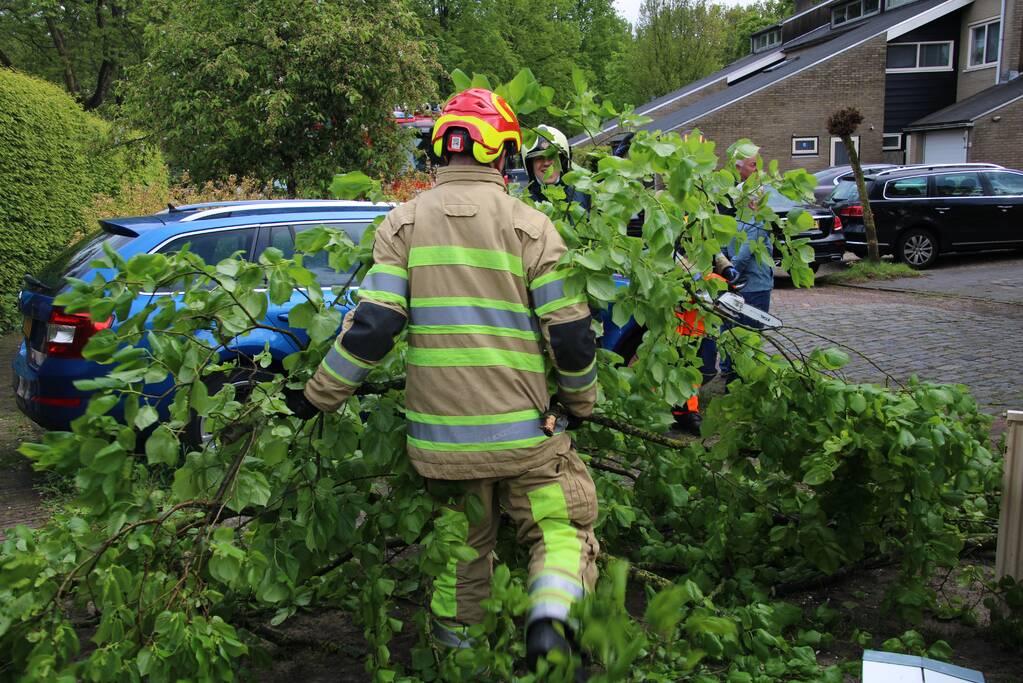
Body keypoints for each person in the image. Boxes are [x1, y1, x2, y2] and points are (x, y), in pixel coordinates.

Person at [284, 88, 599, 675]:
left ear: (438, 150)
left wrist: (314, 396)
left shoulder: (402, 224)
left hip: (442, 444)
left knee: (461, 555)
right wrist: (580, 403)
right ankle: (553, 626)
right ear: (504, 153)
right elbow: (571, 334)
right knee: (560, 527)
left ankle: (461, 665)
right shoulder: (532, 227)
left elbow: (374, 328)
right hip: (526, 439)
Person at [720, 153, 773, 384]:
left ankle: (729, 369)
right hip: (754, 286)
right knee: (749, 334)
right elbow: (742, 257)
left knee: (730, 329)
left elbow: (724, 249)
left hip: (736, 285)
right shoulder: (756, 223)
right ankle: (742, 376)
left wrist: (725, 272)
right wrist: (731, 272)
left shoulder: (734, 222)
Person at [523, 124, 591, 211]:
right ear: (530, 165)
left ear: (563, 161)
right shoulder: (522, 204)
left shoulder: (584, 195)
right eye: (539, 158)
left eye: (552, 156)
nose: (546, 163)